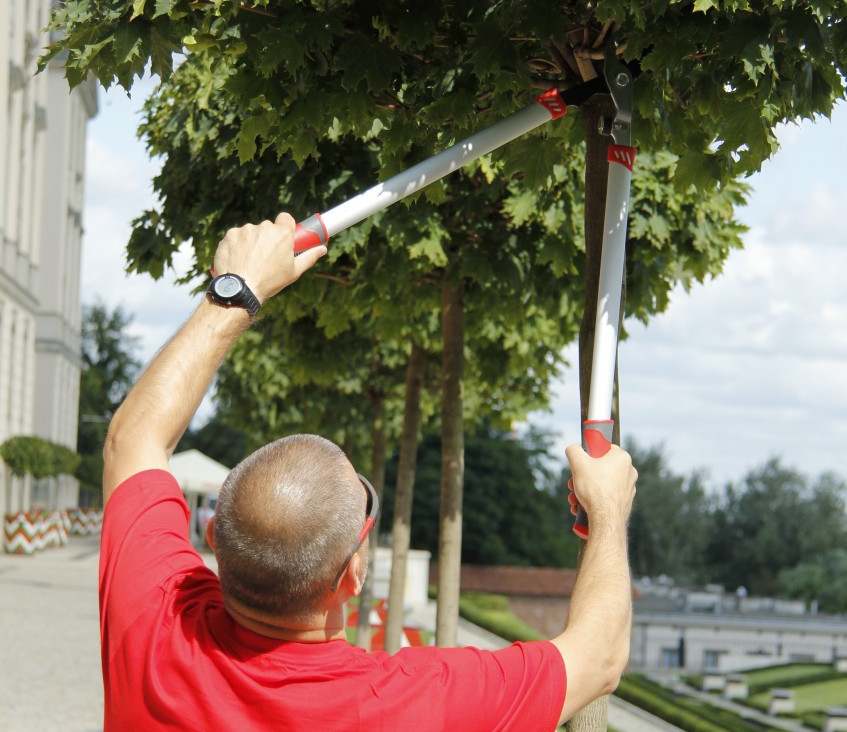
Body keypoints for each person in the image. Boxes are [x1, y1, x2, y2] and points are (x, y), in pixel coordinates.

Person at [100, 213, 637, 731]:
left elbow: (135, 439)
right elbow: (599, 659)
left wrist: (234, 291)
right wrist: (609, 512)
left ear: (213, 536)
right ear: (352, 577)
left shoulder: (154, 624)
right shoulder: (414, 703)